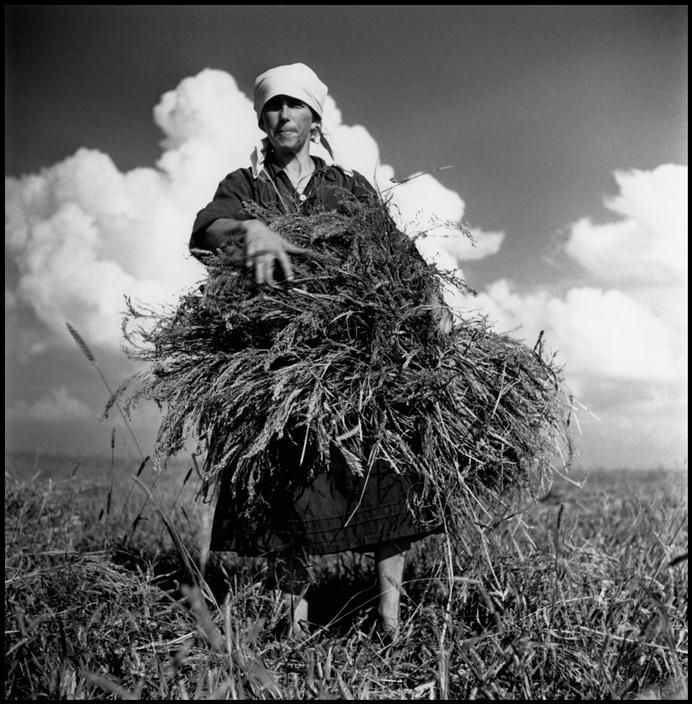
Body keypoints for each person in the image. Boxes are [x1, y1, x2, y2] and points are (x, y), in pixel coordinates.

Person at [189, 62, 448, 640]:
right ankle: (295, 627)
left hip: (355, 355)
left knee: (384, 472)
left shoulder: (348, 186)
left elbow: (394, 249)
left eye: (294, 106)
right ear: (262, 118)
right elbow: (206, 230)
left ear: (314, 117)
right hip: (276, 359)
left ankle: (390, 621)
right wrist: (250, 231)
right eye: (273, 107)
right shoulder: (247, 185)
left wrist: (430, 294)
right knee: (287, 480)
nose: (283, 115)